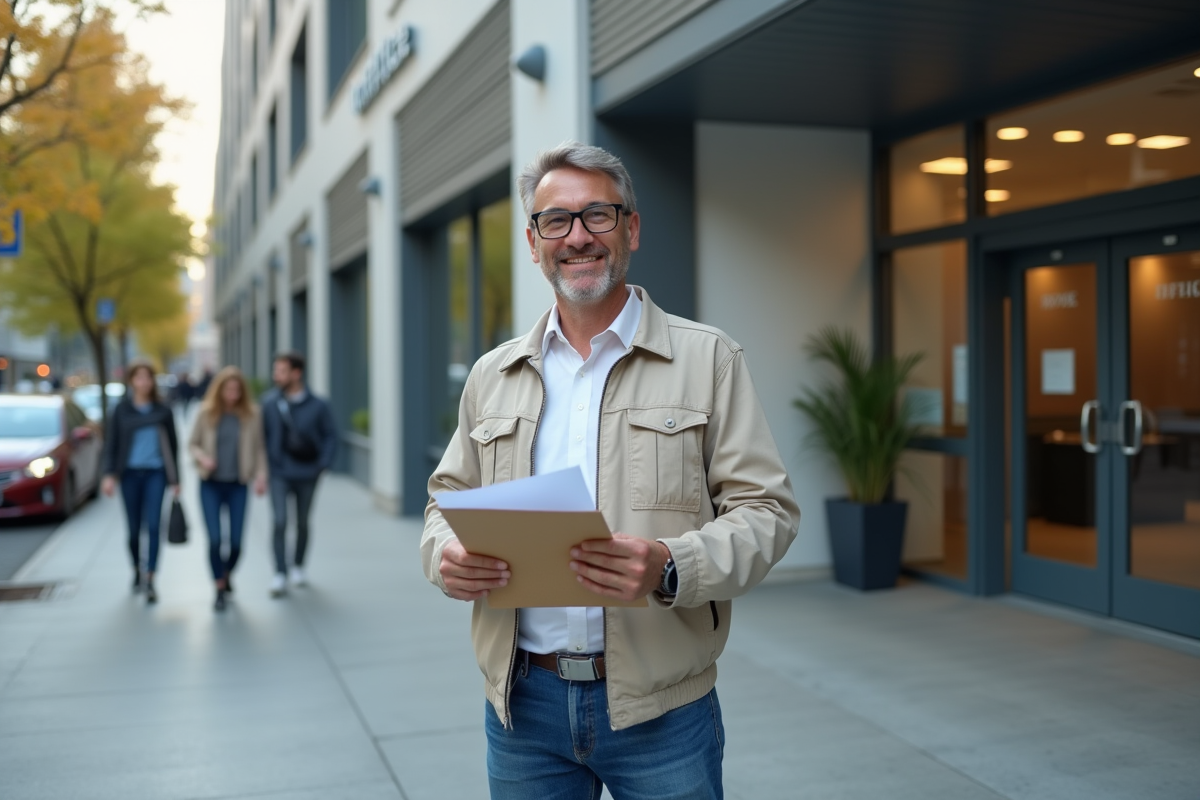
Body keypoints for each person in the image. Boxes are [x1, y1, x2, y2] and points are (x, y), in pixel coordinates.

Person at [421, 143, 800, 798]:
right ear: (534, 243)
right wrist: (445, 555)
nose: (578, 236)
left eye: (597, 214)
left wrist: (672, 565)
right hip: (522, 706)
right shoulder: (493, 375)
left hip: (663, 708)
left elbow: (769, 513)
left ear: (631, 228)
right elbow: (444, 501)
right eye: (556, 221)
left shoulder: (708, 359)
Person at [188, 367, 268, 611]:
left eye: (236, 389)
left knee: (235, 543)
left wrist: (262, 476)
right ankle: (219, 587)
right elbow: (192, 444)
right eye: (228, 389)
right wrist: (202, 458)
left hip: (238, 485)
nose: (232, 394)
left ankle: (226, 573)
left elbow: (260, 449)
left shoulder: (252, 415)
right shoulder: (206, 413)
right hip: (210, 484)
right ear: (219, 390)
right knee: (214, 540)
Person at [101, 360, 181, 605]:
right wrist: (108, 475)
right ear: (131, 381)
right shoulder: (122, 410)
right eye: (139, 377)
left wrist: (176, 479)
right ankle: (137, 568)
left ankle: (150, 577)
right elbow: (112, 443)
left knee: (154, 526)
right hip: (130, 475)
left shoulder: (162, 410)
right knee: (134, 530)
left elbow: (174, 446)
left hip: (156, 473)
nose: (143, 382)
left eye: (147, 377)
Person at [260, 351, 337, 597]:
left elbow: (331, 436)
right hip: (278, 473)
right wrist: (262, 471)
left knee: (302, 522)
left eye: (281, 371)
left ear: (296, 373)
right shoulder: (269, 403)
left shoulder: (319, 405)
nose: (276, 376)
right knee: (280, 521)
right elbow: (260, 438)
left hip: (308, 473)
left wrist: (322, 465)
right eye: (275, 371)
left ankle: (299, 566)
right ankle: (280, 573)